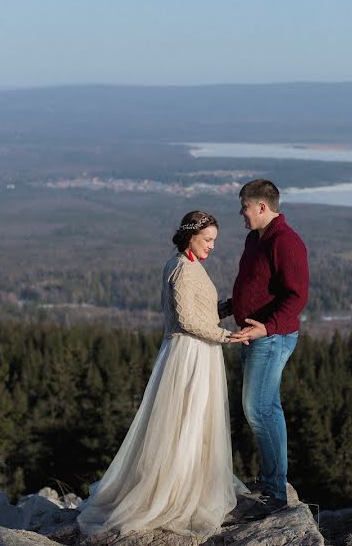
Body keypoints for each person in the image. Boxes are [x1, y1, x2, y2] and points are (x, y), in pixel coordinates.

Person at [77, 211, 247, 539]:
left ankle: (187, 485)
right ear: (190, 236)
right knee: (187, 421)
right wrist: (227, 336)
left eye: (214, 240)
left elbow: (201, 312)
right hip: (191, 354)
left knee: (191, 421)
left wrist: (228, 307)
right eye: (208, 239)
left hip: (196, 350)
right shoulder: (183, 269)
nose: (212, 246)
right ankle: (176, 493)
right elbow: (185, 320)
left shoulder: (183, 262)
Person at [224, 179, 310, 518]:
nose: (240, 213)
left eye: (244, 206)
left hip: (273, 338)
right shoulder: (254, 238)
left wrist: (267, 327)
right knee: (262, 406)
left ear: (262, 207)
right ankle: (272, 483)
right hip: (257, 334)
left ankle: (275, 492)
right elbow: (259, 286)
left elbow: (297, 295)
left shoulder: (286, 242)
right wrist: (232, 306)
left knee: (259, 409)